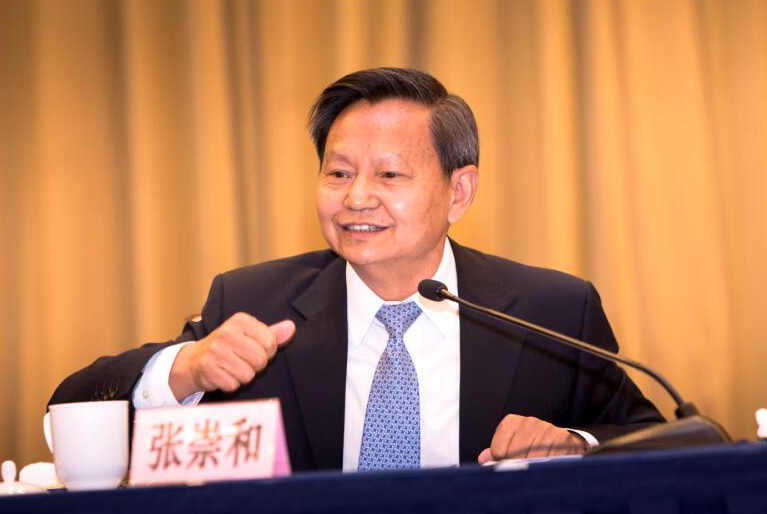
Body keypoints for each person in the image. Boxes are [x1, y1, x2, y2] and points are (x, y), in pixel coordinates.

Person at [48, 67, 664, 472]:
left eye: (390, 174)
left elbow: (673, 441)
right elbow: (66, 411)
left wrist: (576, 443)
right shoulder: (254, 301)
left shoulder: (550, 310)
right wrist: (185, 369)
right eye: (338, 173)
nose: (357, 197)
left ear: (459, 192)